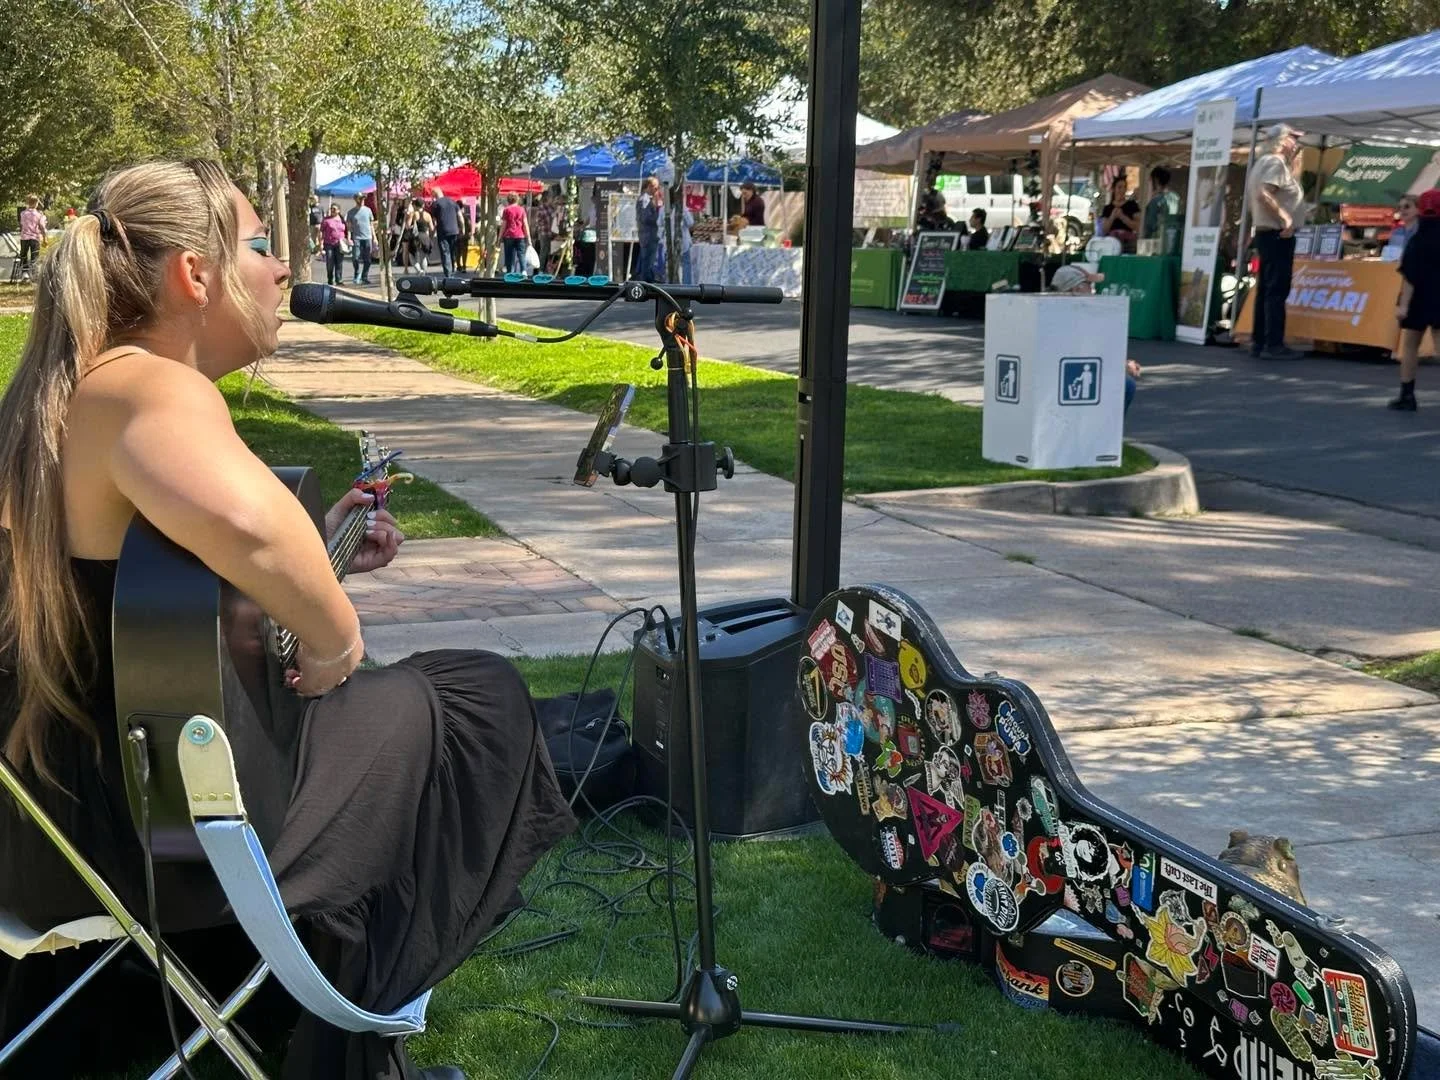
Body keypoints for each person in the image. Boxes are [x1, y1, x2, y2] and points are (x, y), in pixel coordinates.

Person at [0, 158, 576, 1079]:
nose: (280, 269)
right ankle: (350, 1053)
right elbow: (247, 531)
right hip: (166, 838)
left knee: (386, 733)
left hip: (64, 825)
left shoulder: (54, 397)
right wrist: (336, 633)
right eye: (261, 244)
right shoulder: (144, 385)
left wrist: (325, 541)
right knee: (473, 700)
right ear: (194, 274)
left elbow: (161, 593)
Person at [1245, 123, 1307, 360]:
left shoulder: (1264, 163)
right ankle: (1273, 343)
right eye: (1293, 138)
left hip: (1267, 233)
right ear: (1281, 140)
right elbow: (1265, 193)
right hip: (1277, 233)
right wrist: (1285, 217)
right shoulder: (1274, 163)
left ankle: (1260, 341)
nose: (1296, 143)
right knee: (1276, 289)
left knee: (1266, 288)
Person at [1049, 263, 1144, 413]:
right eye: (1089, 285)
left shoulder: (1062, 311)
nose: (1093, 290)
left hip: (1068, 373)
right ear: (1076, 288)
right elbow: (1083, 356)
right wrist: (1121, 366)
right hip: (1063, 376)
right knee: (1126, 385)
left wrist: (1121, 363)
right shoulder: (1064, 315)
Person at [1389, 188, 1440, 411]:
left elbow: (1410, 277)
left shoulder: (1416, 241)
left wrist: (1403, 305)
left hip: (1418, 298)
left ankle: (1407, 394)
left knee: (1410, 345)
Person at [1143, 166, 1182, 255]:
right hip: (1175, 242)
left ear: (1155, 181)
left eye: (1150, 180)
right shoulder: (1175, 197)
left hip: (1157, 244)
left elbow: (1150, 225)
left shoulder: (1155, 201)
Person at [1099, 176, 1140, 253]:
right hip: (1111, 244)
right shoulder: (1107, 208)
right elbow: (1104, 229)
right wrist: (1112, 217)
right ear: (1114, 189)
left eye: (1124, 187)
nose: (1122, 190)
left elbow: (1138, 227)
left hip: (1128, 244)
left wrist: (1123, 217)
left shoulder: (1132, 205)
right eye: (1119, 187)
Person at [428, 186, 460, 277]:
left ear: (434, 194)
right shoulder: (452, 201)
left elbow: (434, 221)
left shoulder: (436, 204)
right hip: (454, 230)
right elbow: (460, 216)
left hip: (443, 231)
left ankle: (448, 275)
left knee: (445, 252)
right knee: (453, 251)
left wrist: (432, 233)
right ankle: (453, 271)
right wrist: (462, 228)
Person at [345, 194, 375, 286]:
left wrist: (375, 238)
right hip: (356, 237)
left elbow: (371, 225)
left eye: (363, 199)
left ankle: (364, 276)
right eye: (360, 198)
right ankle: (357, 274)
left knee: (368, 260)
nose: (362, 200)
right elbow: (349, 227)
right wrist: (349, 238)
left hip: (367, 237)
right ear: (355, 199)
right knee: (355, 258)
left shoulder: (368, 210)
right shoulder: (351, 212)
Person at [635, 176, 661, 282]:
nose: (657, 190)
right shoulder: (645, 199)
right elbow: (645, 217)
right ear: (650, 186)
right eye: (656, 188)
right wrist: (658, 217)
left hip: (645, 234)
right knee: (648, 261)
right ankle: (647, 282)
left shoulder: (644, 198)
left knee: (646, 260)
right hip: (649, 234)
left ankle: (646, 280)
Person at [498, 193, 529, 276]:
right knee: (521, 254)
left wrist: (499, 237)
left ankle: (510, 273)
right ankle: (524, 271)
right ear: (517, 199)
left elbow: (503, 225)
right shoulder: (522, 209)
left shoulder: (506, 210)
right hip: (520, 235)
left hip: (508, 236)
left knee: (509, 255)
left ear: (508, 200)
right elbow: (525, 224)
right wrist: (528, 238)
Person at [17, 196, 46, 283]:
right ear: (36, 203)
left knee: (24, 255)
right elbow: (42, 227)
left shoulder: (22, 214)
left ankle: (25, 274)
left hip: (24, 237)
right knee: (35, 257)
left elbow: (22, 224)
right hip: (35, 237)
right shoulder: (39, 215)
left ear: (28, 203)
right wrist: (44, 237)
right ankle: (34, 275)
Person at [1382, 195, 1419, 261]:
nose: (1402, 210)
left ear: (1418, 209)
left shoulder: (1425, 231)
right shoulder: (1397, 232)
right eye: (1399, 207)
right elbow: (1391, 259)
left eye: (1407, 206)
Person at [404, 196, 434, 273]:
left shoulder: (413, 214)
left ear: (415, 205)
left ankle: (419, 270)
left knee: (412, 255)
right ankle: (424, 272)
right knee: (424, 257)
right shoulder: (428, 215)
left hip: (416, 237)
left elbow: (407, 225)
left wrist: (406, 217)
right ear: (423, 205)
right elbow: (432, 228)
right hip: (425, 237)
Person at [320, 201, 347, 285]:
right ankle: (330, 279)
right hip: (329, 244)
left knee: (339, 262)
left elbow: (347, 230)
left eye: (334, 209)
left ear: (338, 210)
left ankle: (339, 279)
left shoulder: (342, 220)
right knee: (330, 262)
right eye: (331, 209)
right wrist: (321, 243)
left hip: (340, 244)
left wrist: (347, 239)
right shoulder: (326, 220)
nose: (332, 210)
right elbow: (321, 232)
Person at [455, 199, 472, 271]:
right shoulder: (465, 216)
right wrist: (469, 233)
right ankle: (464, 265)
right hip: (464, 236)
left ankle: (459, 265)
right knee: (464, 251)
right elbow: (469, 225)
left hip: (457, 235)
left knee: (457, 252)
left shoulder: (454, 216)